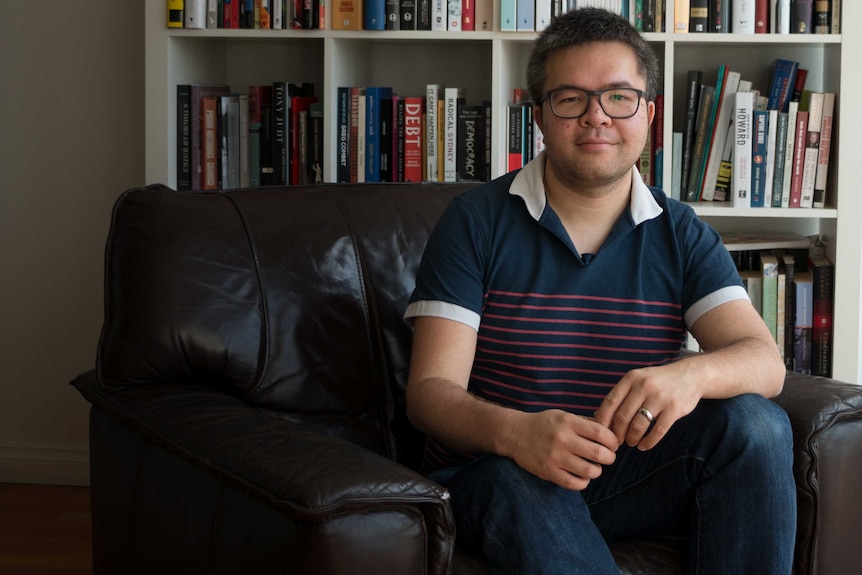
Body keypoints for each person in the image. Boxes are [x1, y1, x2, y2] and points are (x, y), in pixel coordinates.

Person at [403, 7, 796, 575]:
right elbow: (430, 393)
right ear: (539, 115)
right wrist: (517, 434)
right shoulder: (475, 221)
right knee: (515, 482)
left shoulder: (680, 230)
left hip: (622, 476)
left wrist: (690, 374)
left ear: (649, 113)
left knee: (756, 424)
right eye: (570, 98)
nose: (596, 117)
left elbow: (765, 363)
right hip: (496, 473)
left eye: (619, 96)